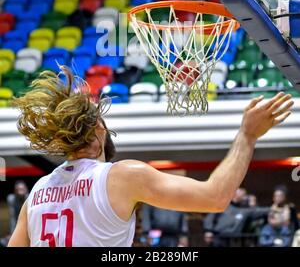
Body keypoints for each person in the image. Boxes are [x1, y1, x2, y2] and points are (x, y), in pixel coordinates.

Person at [8, 67, 293, 247]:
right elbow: (214, 197)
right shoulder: (121, 175)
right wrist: (247, 135)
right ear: (98, 129)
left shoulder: (38, 192)